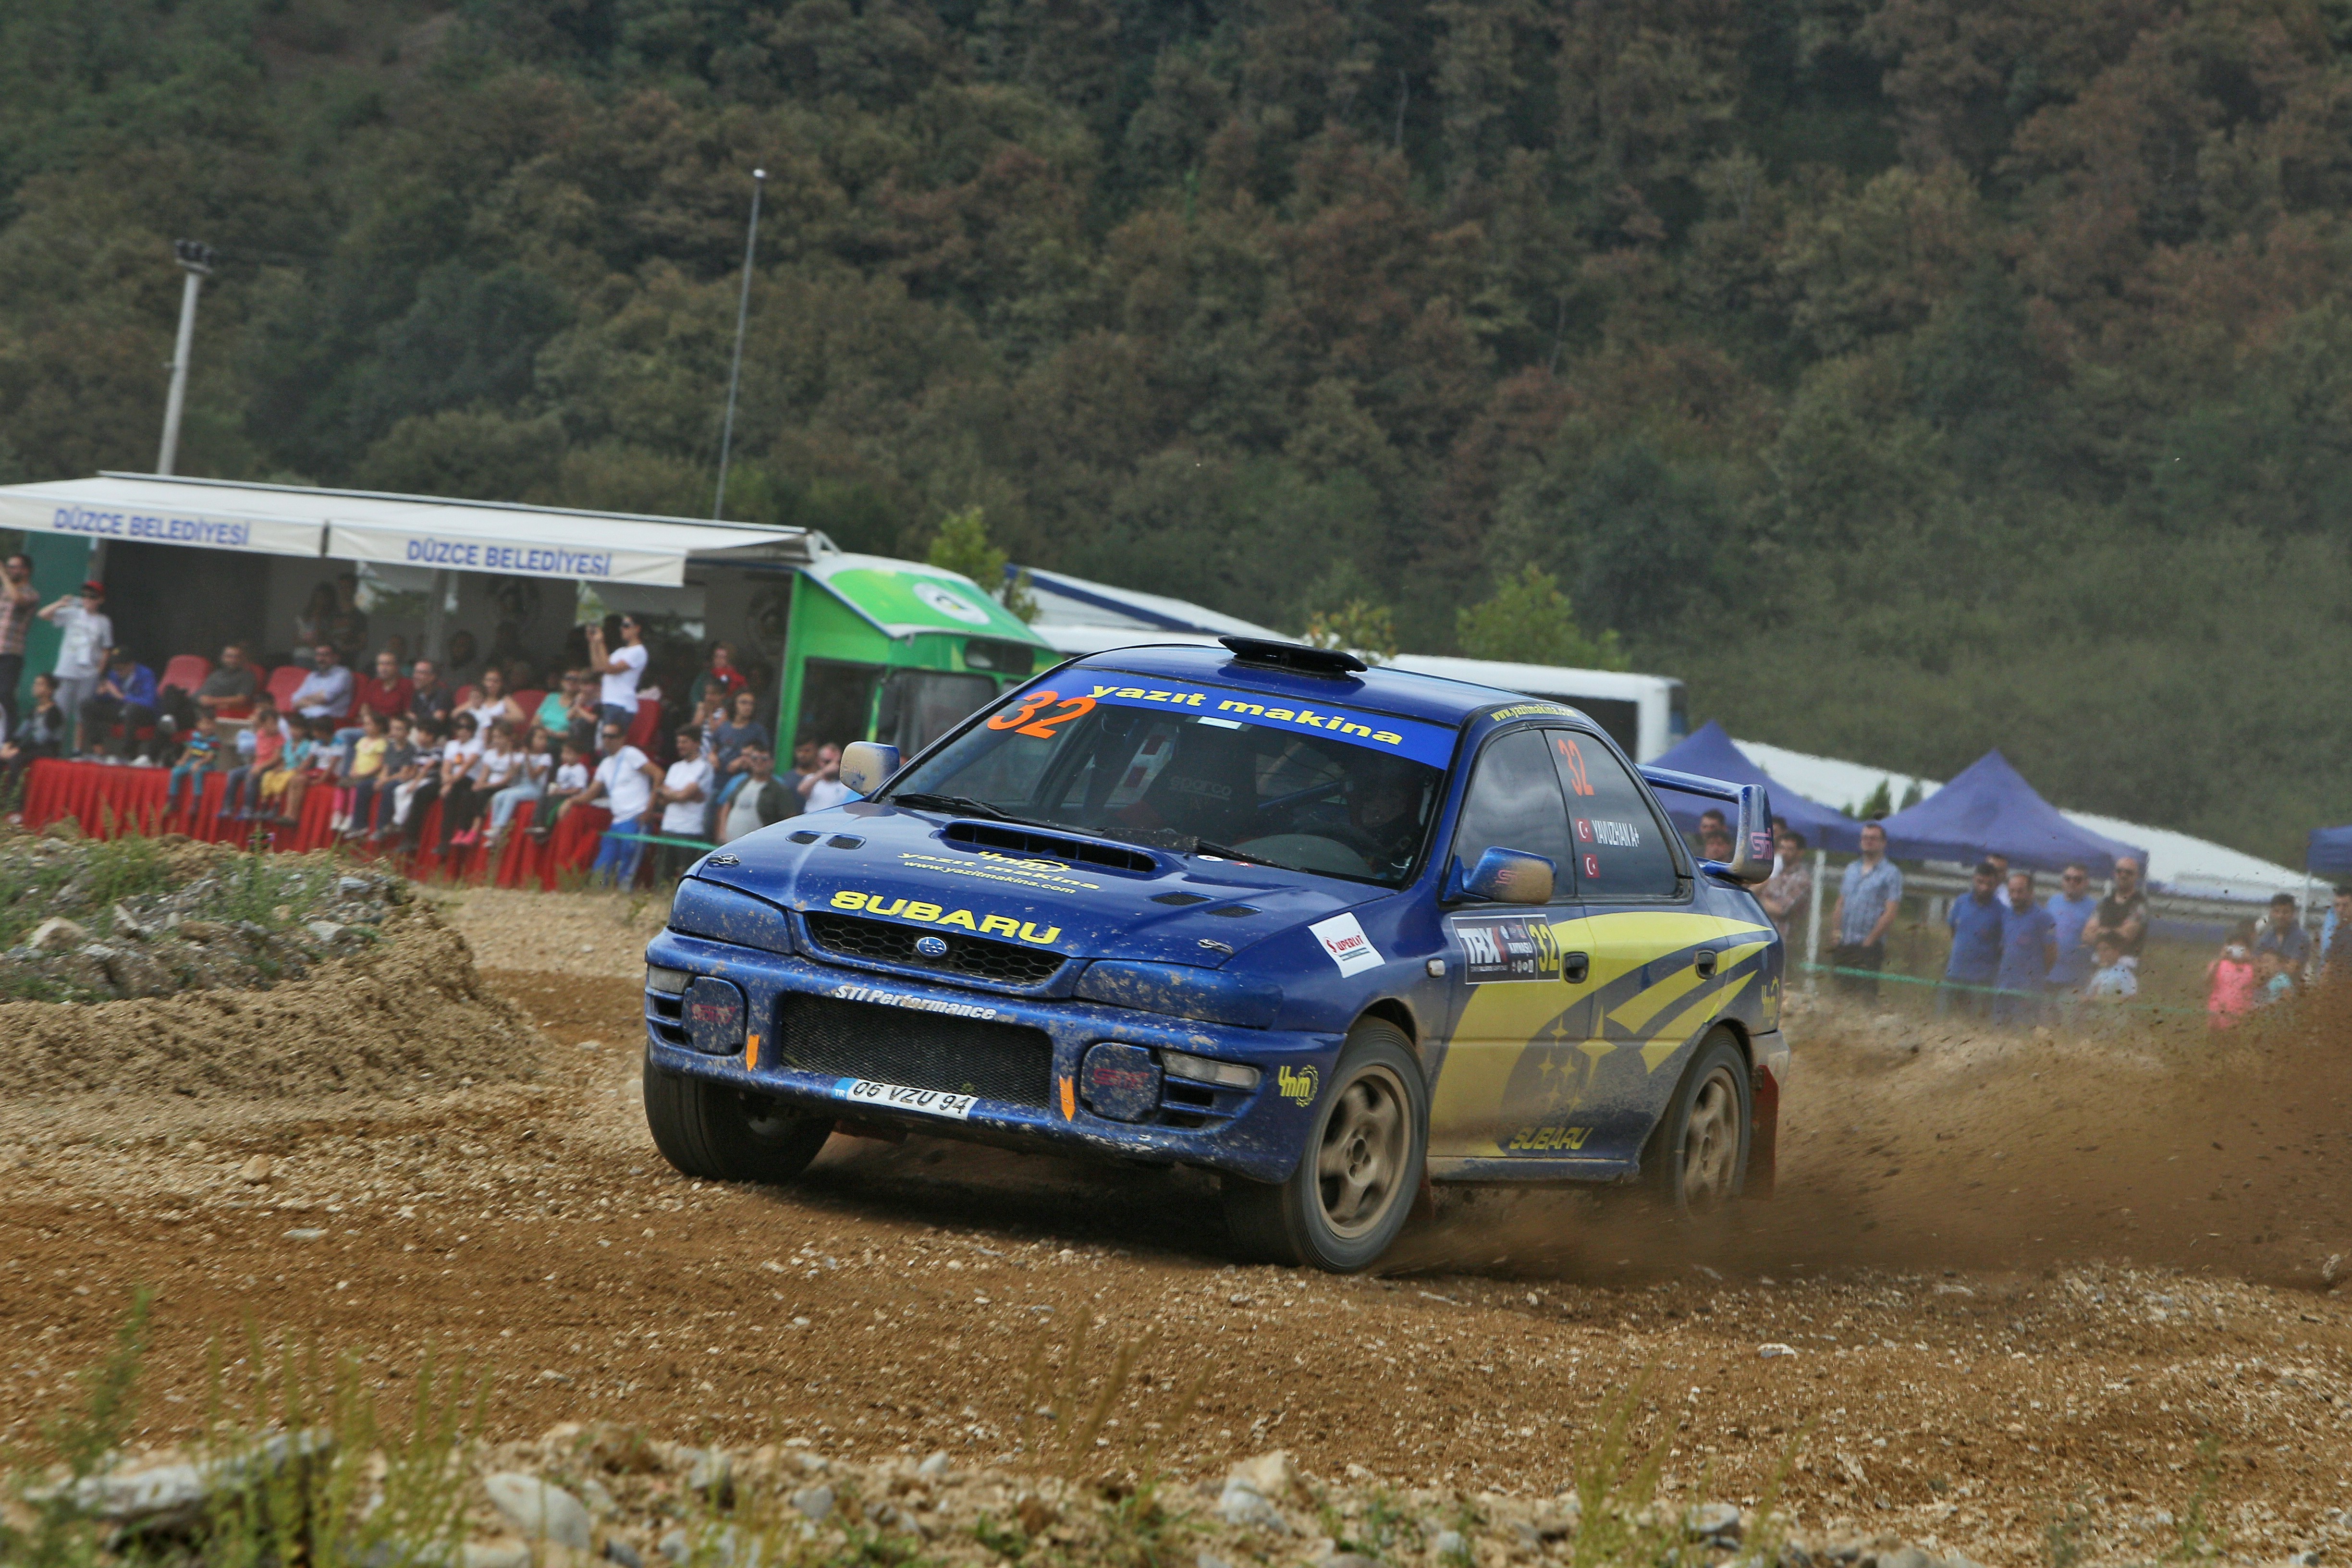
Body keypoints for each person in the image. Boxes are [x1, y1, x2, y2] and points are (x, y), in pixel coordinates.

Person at [1828, 821, 1902, 999]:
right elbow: (1841, 903)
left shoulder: (1892, 873)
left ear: (1883, 843)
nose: (1868, 841)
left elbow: (1890, 912)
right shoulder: (1851, 869)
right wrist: (1836, 932)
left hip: (1869, 946)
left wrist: (1869, 942)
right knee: (1840, 994)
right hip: (1844, 942)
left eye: (1873, 838)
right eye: (1865, 838)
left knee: (1865, 996)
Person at [583, 720, 662, 887]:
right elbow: (592, 793)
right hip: (617, 821)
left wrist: (649, 809)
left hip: (636, 817)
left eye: (611, 736)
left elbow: (658, 774)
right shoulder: (605, 764)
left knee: (628, 866)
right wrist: (570, 801)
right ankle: (597, 897)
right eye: (604, 736)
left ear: (622, 738)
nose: (607, 740)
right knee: (602, 866)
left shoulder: (631, 753)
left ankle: (623, 897)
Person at [37, 580, 111, 753]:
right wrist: (60, 603)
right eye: (85, 596)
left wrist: (98, 672)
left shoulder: (104, 622)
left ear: (100, 600)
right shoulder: (73, 613)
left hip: (88, 673)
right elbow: (43, 615)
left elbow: (106, 649)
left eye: (92, 597)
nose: (88, 600)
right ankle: (55, 748)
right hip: (66, 670)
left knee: (82, 714)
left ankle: (76, 749)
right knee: (60, 712)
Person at [1939, 860, 2005, 1018]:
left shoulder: (2002, 911)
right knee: (1943, 1020)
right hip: (1955, 971)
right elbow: (1953, 929)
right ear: (1974, 880)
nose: (1984, 888)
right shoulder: (1961, 902)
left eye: (1989, 884)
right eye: (1980, 882)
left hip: (1982, 979)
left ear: (1996, 885)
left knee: (1974, 1024)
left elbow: (2003, 946)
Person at [1994, 870, 2056, 1028]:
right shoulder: (2006, 915)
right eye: (2012, 892)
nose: (2015, 896)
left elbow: (2052, 953)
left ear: (2031, 892)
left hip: (2028, 989)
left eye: (2020, 891)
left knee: (2022, 1032)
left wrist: (2039, 977)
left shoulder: (2044, 918)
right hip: (2004, 985)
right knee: (1999, 1031)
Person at [654, 726, 714, 882]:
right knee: (662, 877)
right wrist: (679, 795)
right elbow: (661, 798)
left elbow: (682, 795)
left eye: (685, 742)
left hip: (690, 830)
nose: (680, 746)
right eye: (679, 742)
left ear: (696, 744)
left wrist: (671, 793)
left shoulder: (704, 767)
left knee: (686, 878)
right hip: (668, 828)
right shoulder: (675, 768)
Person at [80, 646, 159, 761]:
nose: (118, 672)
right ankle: (98, 749)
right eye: (115, 669)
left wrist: (122, 697)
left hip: (142, 713)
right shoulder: (114, 674)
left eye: (121, 669)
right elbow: (110, 697)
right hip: (121, 709)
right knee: (87, 705)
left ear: (131, 665)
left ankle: (128, 754)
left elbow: (149, 701)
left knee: (131, 710)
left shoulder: (146, 674)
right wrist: (102, 694)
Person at [219, 698, 290, 822]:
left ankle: (249, 809)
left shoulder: (280, 738)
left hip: (270, 766)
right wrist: (255, 765)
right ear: (262, 725)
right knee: (233, 774)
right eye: (271, 724)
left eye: (276, 723)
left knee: (251, 776)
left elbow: (276, 758)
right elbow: (258, 753)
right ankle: (228, 807)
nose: (274, 727)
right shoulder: (260, 734)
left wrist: (260, 767)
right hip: (258, 765)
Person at [486, 725, 555, 847]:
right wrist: (512, 754)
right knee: (498, 796)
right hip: (521, 787)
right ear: (531, 740)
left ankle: (500, 827)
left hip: (535, 789)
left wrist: (527, 758)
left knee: (512, 796)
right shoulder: (523, 755)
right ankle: (494, 831)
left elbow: (534, 776)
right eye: (540, 738)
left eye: (545, 739)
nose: (543, 742)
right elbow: (514, 773)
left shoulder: (546, 758)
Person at [1, 672, 69, 792]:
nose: (35, 687)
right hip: (33, 747)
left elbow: (40, 738)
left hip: (48, 749)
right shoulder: (35, 710)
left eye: (40, 684)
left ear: (50, 690)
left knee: (15, 759)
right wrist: (8, 745)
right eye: (35, 683)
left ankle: (16, 803)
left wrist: (17, 750)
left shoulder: (54, 713)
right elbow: (21, 732)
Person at [717, 742, 796, 843]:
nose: (759, 762)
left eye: (764, 759)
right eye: (754, 759)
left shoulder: (779, 789)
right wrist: (722, 833)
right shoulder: (743, 782)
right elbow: (727, 806)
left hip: (757, 847)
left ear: (772, 763)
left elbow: (790, 819)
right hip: (730, 845)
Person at [2080, 856, 2148, 970]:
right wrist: (2112, 933)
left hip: (2125, 968)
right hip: (2099, 965)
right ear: (2114, 873)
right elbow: (2086, 935)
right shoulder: (2105, 902)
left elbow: (2125, 936)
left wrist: (2101, 932)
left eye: (2129, 872)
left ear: (2137, 876)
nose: (2123, 875)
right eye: (2119, 871)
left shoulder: (2140, 905)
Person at [586, 614, 649, 733]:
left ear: (637, 629)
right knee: (604, 745)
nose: (622, 629)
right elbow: (598, 668)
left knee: (610, 744)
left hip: (621, 704)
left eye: (626, 626)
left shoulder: (639, 651)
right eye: (622, 626)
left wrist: (601, 642)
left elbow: (611, 670)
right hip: (610, 702)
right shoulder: (621, 651)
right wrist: (593, 643)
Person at [2044, 862, 2100, 997]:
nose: (2072, 883)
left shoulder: (2095, 908)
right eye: (2068, 878)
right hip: (2050, 975)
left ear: (2086, 882)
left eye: (2077, 880)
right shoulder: (2053, 901)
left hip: (2077, 979)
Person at [334, 708, 389, 835]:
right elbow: (356, 758)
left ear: (379, 726)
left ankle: (351, 815)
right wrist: (353, 770)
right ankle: (338, 813)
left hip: (370, 776)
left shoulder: (381, 743)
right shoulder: (362, 741)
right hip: (358, 773)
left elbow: (381, 764)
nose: (366, 727)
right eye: (365, 724)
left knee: (356, 787)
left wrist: (366, 774)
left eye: (369, 724)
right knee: (341, 784)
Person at [0, 553, 38, 732]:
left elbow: (17, 599)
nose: (10, 570)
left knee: (5, 693)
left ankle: (9, 738)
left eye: (15, 567)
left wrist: (3, 575)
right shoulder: (4, 592)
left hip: (11, 652)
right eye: (9, 566)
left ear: (26, 571)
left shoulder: (31, 594)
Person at [533, 738, 593, 841]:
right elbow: (560, 785)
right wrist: (555, 790)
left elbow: (578, 790)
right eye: (564, 753)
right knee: (544, 798)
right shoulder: (562, 769)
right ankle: (538, 823)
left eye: (569, 753)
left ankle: (548, 827)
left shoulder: (580, 770)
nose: (565, 756)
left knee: (554, 801)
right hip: (561, 793)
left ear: (578, 756)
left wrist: (561, 792)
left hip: (573, 796)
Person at [1756, 829, 1811, 941]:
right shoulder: (1777, 873)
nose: (1784, 853)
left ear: (1800, 852)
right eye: (1782, 848)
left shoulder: (1802, 879)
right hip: (1763, 934)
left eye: (1790, 849)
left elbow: (1781, 910)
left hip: (1783, 938)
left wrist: (1755, 901)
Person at [165, 712, 222, 818]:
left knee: (197, 772)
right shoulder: (194, 736)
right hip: (192, 761)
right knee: (176, 771)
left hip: (206, 764)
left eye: (210, 724)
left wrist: (199, 763)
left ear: (214, 726)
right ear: (198, 725)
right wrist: (183, 761)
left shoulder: (214, 741)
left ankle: (196, 802)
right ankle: (172, 800)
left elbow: (210, 757)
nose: (207, 727)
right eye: (205, 724)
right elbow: (189, 750)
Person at [2207, 922, 2259, 1029]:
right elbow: (2207, 981)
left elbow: (2260, 982)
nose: (2237, 951)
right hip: (2217, 1014)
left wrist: (2252, 960)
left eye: (2241, 948)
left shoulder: (2251, 968)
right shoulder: (2219, 965)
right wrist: (2220, 958)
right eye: (2233, 947)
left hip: (2241, 1017)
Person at [2253, 892, 2313, 981]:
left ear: (2293, 913)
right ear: (2271, 913)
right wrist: (2281, 963)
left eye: (2285, 912)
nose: (2280, 916)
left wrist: (2271, 962)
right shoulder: (2266, 938)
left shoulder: (2302, 938)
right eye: (2277, 911)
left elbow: (2293, 970)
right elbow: (2256, 966)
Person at [290, 644, 354, 725]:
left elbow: (326, 698)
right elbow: (295, 701)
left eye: (325, 655)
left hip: (328, 722)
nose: (320, 659)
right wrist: (315, 700)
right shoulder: (312, 676)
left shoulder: (343, 674)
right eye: (318, 655)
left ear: (336, 657)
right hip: (305, 719)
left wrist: (305, 699)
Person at [192, 642, 260, 719]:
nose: (233, 660)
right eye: (229, 657)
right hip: (198, 708)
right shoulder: (216, 674)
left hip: (218, 712)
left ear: (241, 659)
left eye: (237, 657)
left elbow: (241, 699)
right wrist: (200, 699)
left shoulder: (247, 676)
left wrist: (212, 701)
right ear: (222, 658)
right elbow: (200, 694)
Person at [799, 742, 854, 810]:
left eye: (837, 762)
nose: (833, 766)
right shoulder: (812, 779)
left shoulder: (846, 785)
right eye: (827, 762)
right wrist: (825, 772)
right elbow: (802, 790)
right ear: (819, 761)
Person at [2084, 933, 2137, 1002]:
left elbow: (2131, 998)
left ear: (2117, 951)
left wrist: (2102, 1000)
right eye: (2099, 950)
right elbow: (2090, 995)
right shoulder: (2099, 973)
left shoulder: (2124, 973)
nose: (2101, 953)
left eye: (2106, 950)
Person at [406, 658, 454, 731]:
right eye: (415, 672)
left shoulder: (443, 694)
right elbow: (409, 717)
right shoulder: (417, 694)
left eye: (421, 673)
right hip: (420, 733)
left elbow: (437, 721)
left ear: (432, 677)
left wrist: (417, 720)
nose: (416, 676)